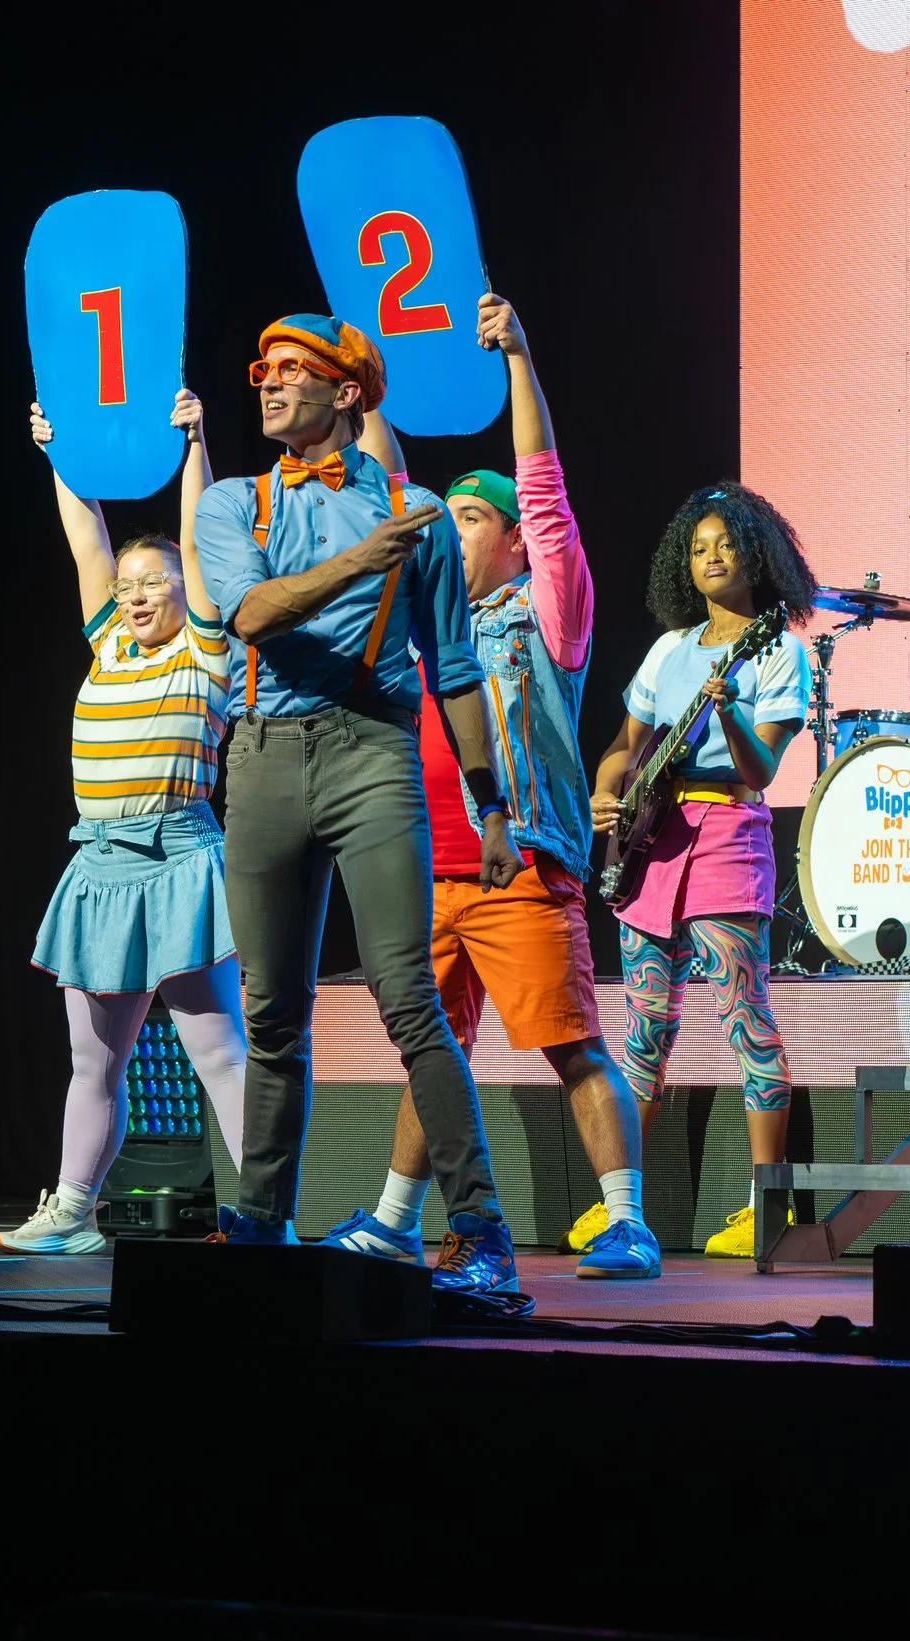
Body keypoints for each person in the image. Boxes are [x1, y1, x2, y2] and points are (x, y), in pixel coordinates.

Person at [320, 294, 656, 1281]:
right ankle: (391, 1218)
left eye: (472, 518)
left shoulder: (544, 620)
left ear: (513, 544)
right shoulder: (423, 629)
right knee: (432, 1050)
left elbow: (545, 492)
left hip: (519, 868)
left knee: (571, 1046)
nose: (452, 531)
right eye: (450, 516)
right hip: (427, 877)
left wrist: (517, 359)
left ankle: (625, 1220)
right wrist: (366, 387)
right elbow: (388, 490)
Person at [190, 314, 524, 1292]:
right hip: (261, 761)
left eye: (294, 370)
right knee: (272, 1007)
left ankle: (481, 1234)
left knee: (408, 997)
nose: (269, 383)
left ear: (347, 394)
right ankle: (258, 1225)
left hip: (373, 753)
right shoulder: (231, 506)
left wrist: (489, 803)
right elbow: (248, 613)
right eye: (263, 369)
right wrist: (361, 556)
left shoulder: (417, 512)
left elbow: (456, 668)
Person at [3, 388, 248, 1255]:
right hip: (101, 869)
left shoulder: (207, 650)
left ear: (187, 592)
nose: (139, 594)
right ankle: (73, 1211)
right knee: (93, 1062)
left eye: (158, 583)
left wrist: (195, 445)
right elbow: (86, 539)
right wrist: (59, 453)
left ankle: (262, 1210)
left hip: (178, 861)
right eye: (132, 585)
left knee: (218, 1054)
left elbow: (202, 547)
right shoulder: (108, 640)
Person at [589, 485, 815, 1259]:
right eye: (698, 547)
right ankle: (623, 1208)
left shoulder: (780, 650)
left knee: (744, 1020)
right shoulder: (668, 649)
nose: (712, 556)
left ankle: (767, 1206)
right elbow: (625, 747)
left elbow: (761, 771)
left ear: (759, 554)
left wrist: (726, 713)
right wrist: (605, 791)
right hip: (650, 848)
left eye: (726, 543)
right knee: (645, 1033)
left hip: (726, 833)